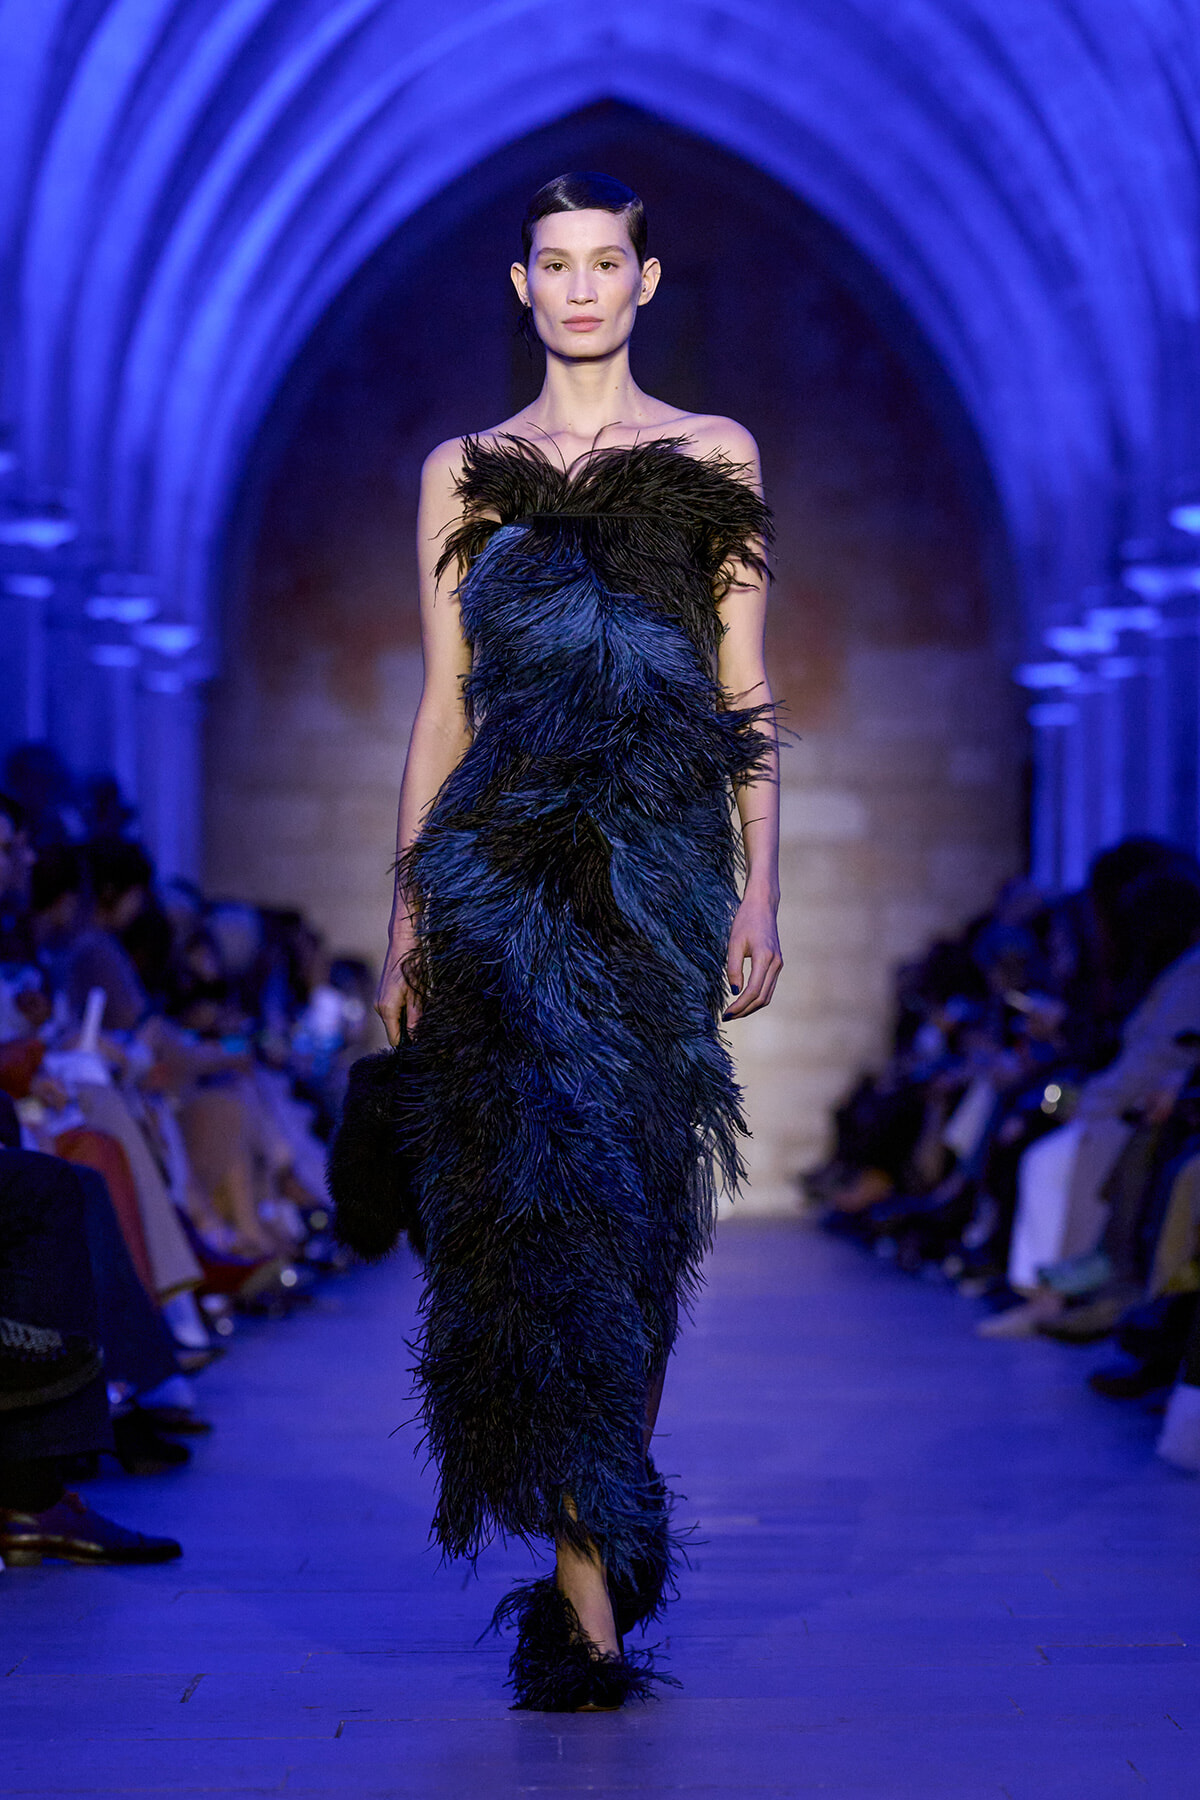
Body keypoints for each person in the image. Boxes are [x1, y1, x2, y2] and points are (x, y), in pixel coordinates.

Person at [370, 171, 782, 1711]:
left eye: (609, 259)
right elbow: (440, 708)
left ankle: (599, 1536)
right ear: (520, 285)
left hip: (664, 876)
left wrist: (761, 889)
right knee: (539, 1222)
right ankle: (588, 1606)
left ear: (649, 279)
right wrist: (403, 913)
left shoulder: (715, 456)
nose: (584, 285)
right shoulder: (463, 471)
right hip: (500, 878)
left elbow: (746, 697)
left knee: (641, 1221)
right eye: (557, 262)